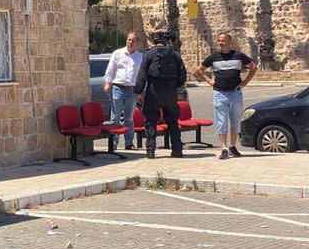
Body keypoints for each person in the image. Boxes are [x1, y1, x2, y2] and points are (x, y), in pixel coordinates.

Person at [195, 32, 257, 160]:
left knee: (235, 121)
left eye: (223, 40)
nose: (221, 43)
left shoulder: (238, 56)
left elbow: (253, 67)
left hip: (235, 93)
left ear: (229, 42)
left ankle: (233, 146)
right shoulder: (213, 57)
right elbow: (199, 70)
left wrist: (245, 82)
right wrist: (209, 81)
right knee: (221, 122)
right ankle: (223, 148)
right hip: (220, 94)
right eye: (219, 41)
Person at [134, 31, 187, 159]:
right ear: (166, 41)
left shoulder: (149, 54)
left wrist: (138, 91)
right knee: (172, 121)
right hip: (170, 91)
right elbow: (183, 75)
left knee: (151, 121)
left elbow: (142, 74)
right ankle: (177, 150)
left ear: (154, 41)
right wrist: (176, 85)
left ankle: (150, 150)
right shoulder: (175, 55)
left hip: (153, 90)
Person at [103, 32, 143, 150]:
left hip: (132, 90)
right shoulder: (118, 53)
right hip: (118, 88)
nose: (130, 42)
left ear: (137, 43)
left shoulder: (140, 57)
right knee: (115, 117)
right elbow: (110, 70)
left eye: (133, 41)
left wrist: (140, 91)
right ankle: (113, 143)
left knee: (129, 118)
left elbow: (141, 75)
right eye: (129, 40)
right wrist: (107, 83)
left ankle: (129, 143)